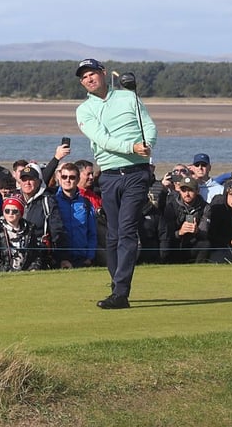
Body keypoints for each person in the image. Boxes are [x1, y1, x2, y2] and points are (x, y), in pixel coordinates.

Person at [75, 58, 157, 310]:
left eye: (92, 73)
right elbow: (103, 139)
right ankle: (117, 285)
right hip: (109, 175)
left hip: (136, 173)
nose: (89, 79)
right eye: (84, 76)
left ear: (102, 73)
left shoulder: (128, 97)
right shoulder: (83, 111)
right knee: (113, 234)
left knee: (127, 229)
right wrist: (131, 147)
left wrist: (147, 145)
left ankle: (121, 292)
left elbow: (150, 126)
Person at [53, 163, 96, 268]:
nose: (67, 180)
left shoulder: (86, 203)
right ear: (60, 178)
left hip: (82, 258)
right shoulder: (52, 201)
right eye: (64, 177)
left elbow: (92, 233)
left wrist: (90, 257)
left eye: (72, 177)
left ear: (77, 179)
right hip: (59, 259)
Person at [159, 175, 211, 264]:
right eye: (184, 190)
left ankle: (199, 269)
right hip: (176, 243)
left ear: (197, 191)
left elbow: (205, 232)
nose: (187, 194)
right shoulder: (171, 206)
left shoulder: (205, 207)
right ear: (179, 191)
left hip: (194, 242)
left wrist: (196, 231)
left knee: (205, 245)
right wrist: (179, 232)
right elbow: (167, 234)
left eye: (190, 190)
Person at [0, 197, 41, 272]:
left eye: (14, 211)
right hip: (3, 274)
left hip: (26, 274)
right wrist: (6, 271)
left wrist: (33, 269)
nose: (10, 213)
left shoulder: (30, 230)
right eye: (7, 211)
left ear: (20, 213)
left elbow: (36, 254)